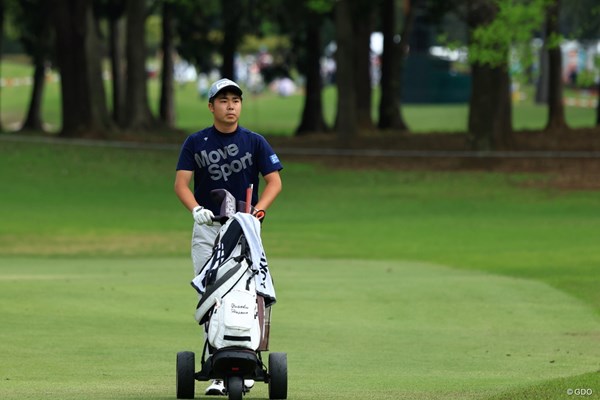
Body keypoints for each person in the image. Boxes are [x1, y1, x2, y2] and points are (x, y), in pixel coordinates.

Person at [174, 78, 283, 396]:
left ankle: (249, 363)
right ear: (211, 106)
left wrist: (258, 212)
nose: (230, 105)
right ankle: (219, 371)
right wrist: (196, 210)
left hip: (246, 228)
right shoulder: (196, 142)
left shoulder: (255, 141)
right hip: (208, 228)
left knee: (251, 295)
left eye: (236, 100)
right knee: (211, 297)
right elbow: (181, 184)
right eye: (223, 100)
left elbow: (274, 183)